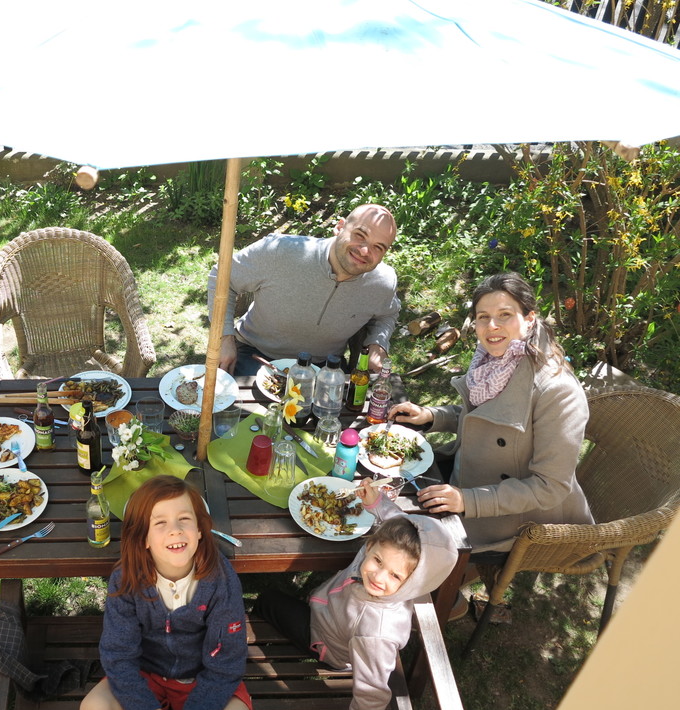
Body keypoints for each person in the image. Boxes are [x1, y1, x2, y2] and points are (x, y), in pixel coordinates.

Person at [390, 272, 593, 559]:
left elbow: (550, 487)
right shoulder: (491, 362)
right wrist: (431, 416)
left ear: (530, 319)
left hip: (514, 519)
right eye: (483, 317)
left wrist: (467, 500)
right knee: (386, 497)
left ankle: (453, 599)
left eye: (505, 314)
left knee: (408, 550)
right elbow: (484, 418)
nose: (492, 326)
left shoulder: (558, 391)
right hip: (465, 480)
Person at [253, 483, 457, 710]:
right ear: (371, 546)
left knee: (268, 599)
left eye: (395, 576)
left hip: (323, 639)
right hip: (330, 610)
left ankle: (258, 641)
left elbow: (371, 695)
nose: (378, 577)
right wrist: (376, 502)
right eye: (377, 561)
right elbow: (398, 520)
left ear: (412, 582)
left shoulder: (375, 635)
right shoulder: (391, 547)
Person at [79, 475, 254, 710]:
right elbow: (118, 656)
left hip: (203, 679)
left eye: (184, 519)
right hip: (145, 676)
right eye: (160, 522)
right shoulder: (126, 579)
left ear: (200, 531)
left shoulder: (221, 580)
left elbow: (226, 662)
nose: (175, 530)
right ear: (144, 539)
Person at [207, 203, 400, 377]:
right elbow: (221, 278)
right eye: (360, 235)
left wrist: (378, 344)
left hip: (325, 367)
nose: (365, 251)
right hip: (255, 355)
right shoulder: (279, 251)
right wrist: (224, 338)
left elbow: (387, 314)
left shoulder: (383, 281)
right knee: (244, 415)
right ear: (339, 227)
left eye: (378, 247)